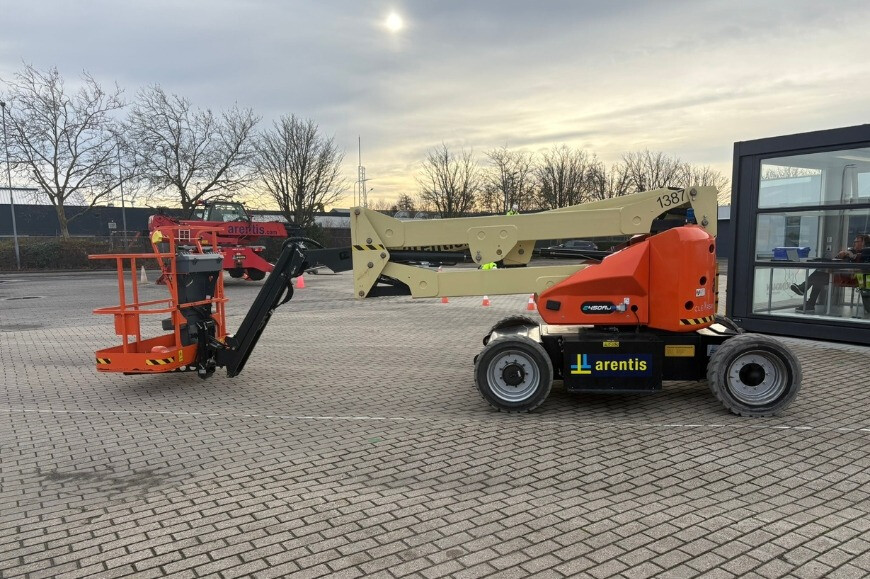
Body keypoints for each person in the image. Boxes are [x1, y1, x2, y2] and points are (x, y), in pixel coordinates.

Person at [791, 233, 870, 313]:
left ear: (863, 243)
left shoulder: (866, 253)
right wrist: (839, 256)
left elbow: (862, 264)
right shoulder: (851, 251)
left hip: (853, 279)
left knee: (818, 277)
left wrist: (852, 256)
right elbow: (838, 262)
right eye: (854, 241)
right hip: (840, 275)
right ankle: (808, 301)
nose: (854, 243)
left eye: (857, 241)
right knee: (818, 277)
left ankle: (805, 293)